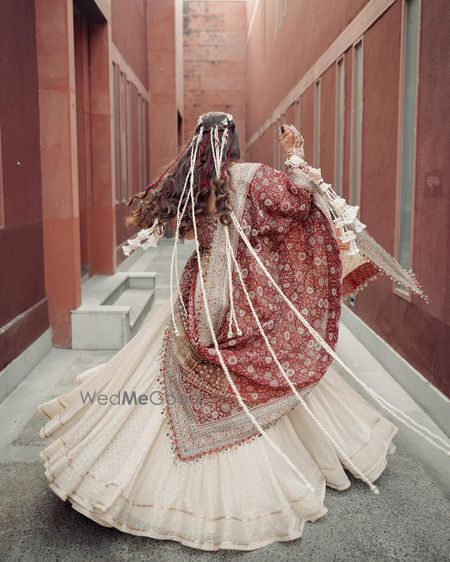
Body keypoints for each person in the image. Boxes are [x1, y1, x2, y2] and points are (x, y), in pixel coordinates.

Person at [38, 111, 447, 552]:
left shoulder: (191, 183)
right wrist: (295, 157)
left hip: (203, 295)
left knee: (169, 363)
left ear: (197, 143)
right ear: (232, 142)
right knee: (273, 366)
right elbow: (299, 203)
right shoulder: (254, 177)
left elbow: (180, 227)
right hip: (248, 296)